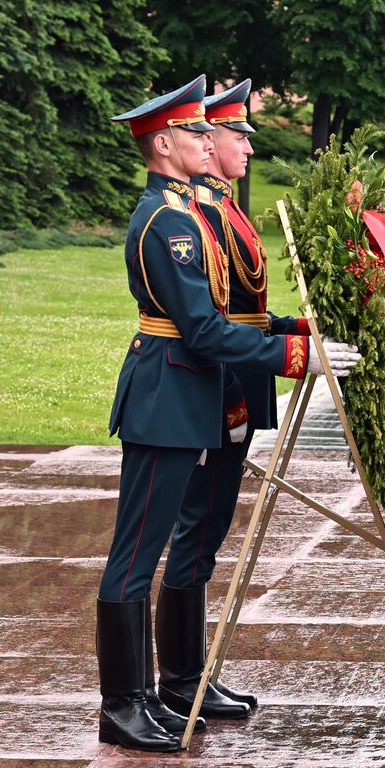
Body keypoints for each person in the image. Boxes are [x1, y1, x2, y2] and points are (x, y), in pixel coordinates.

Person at [98, 76, 362, 752]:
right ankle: (123, 704)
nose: (211, 141)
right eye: (197, 133)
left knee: (164, 545)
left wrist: (298, 332)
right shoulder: (163, 222)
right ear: (165, 144)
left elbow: (228, 313)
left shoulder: (182, 215)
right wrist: (297, 356)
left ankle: (168, 685)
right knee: (135, 556)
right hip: (166, 398)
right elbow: (205, 332)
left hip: (183, 397)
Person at [148, 79, 314, 724]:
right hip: (219, 377)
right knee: (199, 524)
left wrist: (293, 327)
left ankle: (190, 675)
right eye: (233, 133)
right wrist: (289, 349)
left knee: (210, 525)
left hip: (236, 373)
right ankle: (181, 679)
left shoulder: (221, 207)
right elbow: (214, 316)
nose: (246, 144)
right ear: (205, 141)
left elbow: (244, 307)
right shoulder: (201, 214)